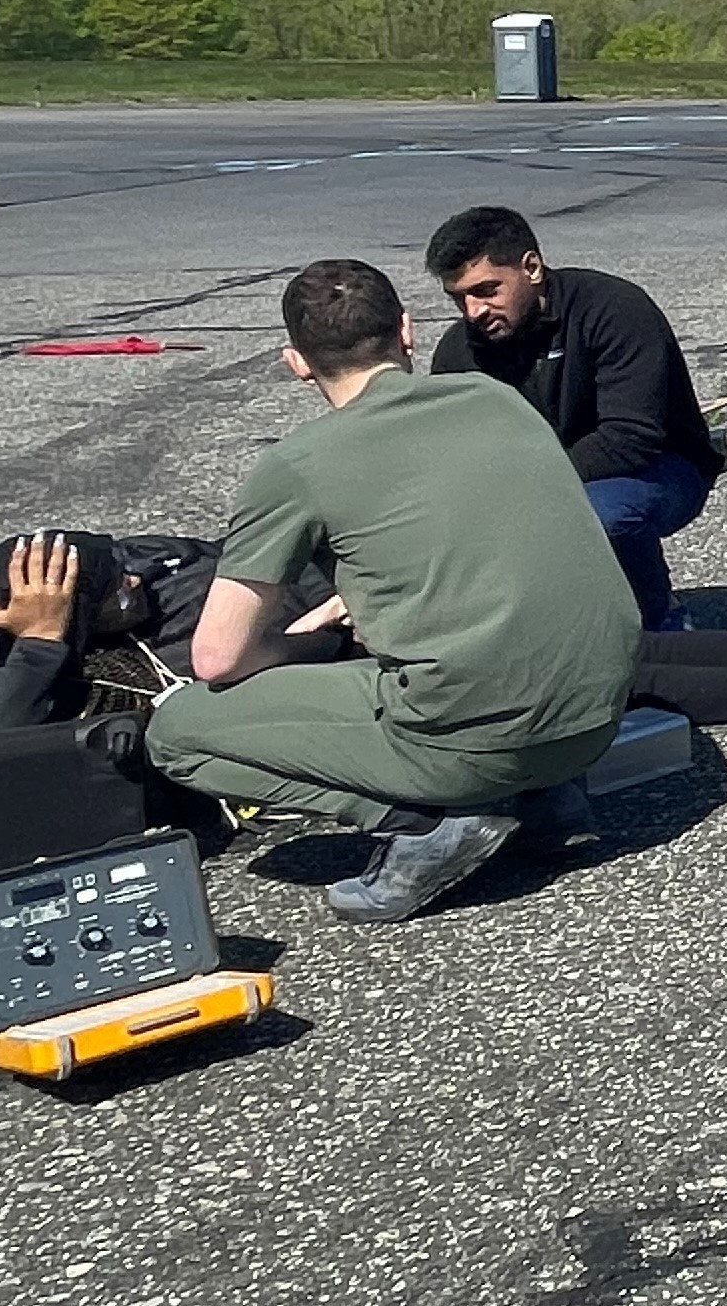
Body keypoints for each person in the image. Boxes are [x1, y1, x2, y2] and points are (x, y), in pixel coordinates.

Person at [144, 259, 643, 923]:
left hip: (477, 739)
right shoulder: (497, 400)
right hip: (597, 716)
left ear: (297, 363)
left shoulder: (296, 464)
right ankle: (542, 796)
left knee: (177, 732)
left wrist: (309, 646)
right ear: (406, 332)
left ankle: (424, 821)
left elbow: (216, 658)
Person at [0, 527, 727, 737]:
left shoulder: (155, 578)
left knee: (603, 642)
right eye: (105, 583)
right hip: (365, 675)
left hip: (386, 621)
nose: (132, 576)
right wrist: (44, 642)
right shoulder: (95, 673)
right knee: (607, 674)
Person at [424, 206, 726, 629]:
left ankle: (660, 623)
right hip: (541, 480)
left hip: (660, 467)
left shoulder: (612, 309)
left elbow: (630, 438)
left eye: (487, 290)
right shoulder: (461, 351)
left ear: (531, 268)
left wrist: (525, 489)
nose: (474, 311)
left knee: (600, 514)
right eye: (459, 298)